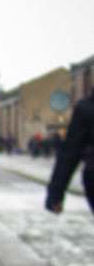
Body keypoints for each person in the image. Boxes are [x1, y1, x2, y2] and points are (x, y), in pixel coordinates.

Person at [47, 87, 94, 215]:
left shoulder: (86, 108)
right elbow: (71, 151)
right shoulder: (87, 109)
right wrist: (56, 193)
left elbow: (70, 152)